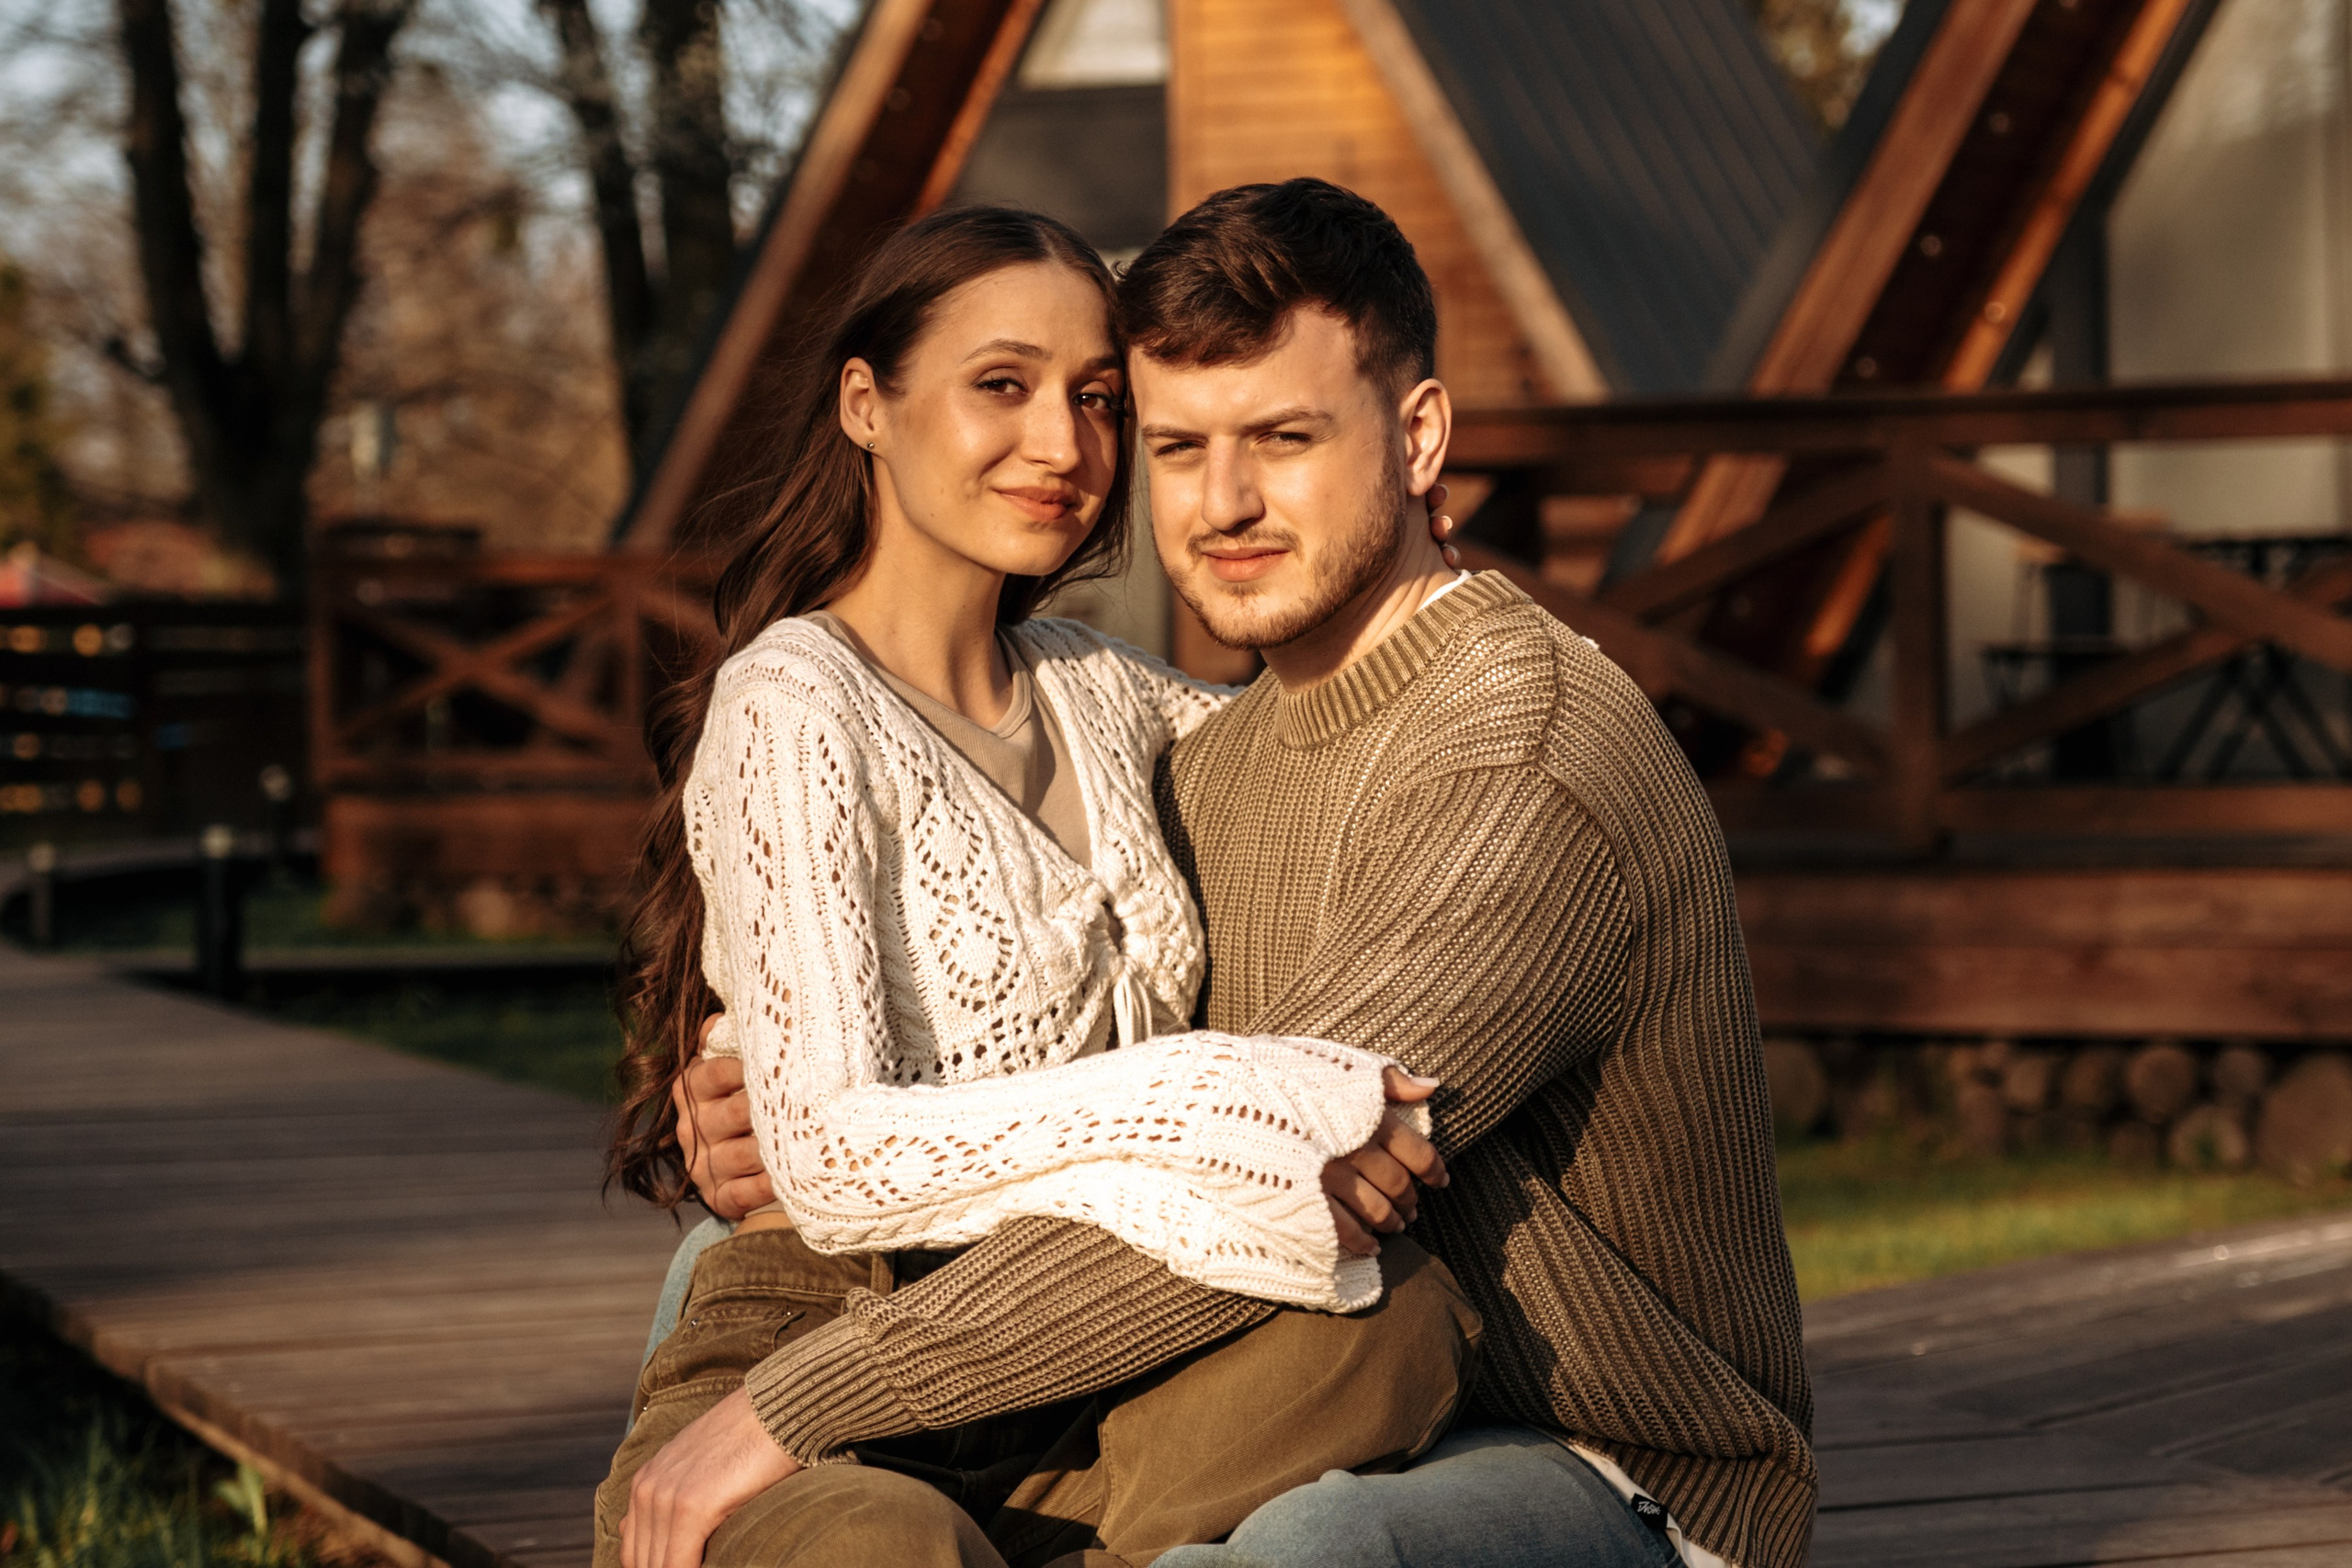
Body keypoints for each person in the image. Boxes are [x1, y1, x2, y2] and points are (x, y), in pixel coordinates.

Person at [656, 178, 1818, 1568]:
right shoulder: (1198, 757)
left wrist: (795, 1405)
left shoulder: (1526, 769)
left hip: (1606, 1459)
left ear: (1419, 436)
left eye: (1284, 437)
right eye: (1177, 445)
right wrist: (773, 1093)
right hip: (1295, 1381)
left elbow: (1289, 1161)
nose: (1226, 503)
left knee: (1310, 1558)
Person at [595, 202, 1485, 1568]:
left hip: (1085, 1347)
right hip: (827, 1338)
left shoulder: (1107, 691)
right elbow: (831, 1158)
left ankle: (1029, 1543)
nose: (1064, 446)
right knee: (889, 1548)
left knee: (1396, 1326)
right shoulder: (794, 700)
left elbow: (1343, 745)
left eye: (1098, 399)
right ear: (868, 404)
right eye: (1002, 385)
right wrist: (1215, 1101)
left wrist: (1442, 590)